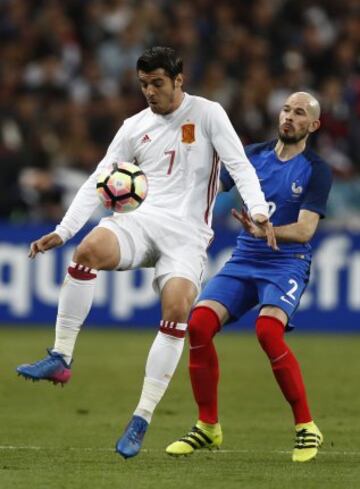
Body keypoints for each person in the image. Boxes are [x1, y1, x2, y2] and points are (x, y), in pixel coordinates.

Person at [16, 47, 276, 459]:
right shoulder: (134, 127)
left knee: (176, 311)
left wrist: (259, 211)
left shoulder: (208, 114)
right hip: (141, 220)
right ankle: (61, 356)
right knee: (88, 249)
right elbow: (97, 180)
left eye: (157, 83)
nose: (149, 92)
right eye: (143, 85)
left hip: (188, 234)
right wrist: (64, 230)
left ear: (178, 80)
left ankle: (141, 417)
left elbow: (240, 165)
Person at [166, 92, 333, 463]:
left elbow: (306, 231)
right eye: (287, 109)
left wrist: (267, 230)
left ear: (313, 125)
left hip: (287, 262)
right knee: (198, 325)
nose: (289, 117)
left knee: (267, 331)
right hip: (244, 258)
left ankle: (306, 426)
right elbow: (208, 189)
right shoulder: (251, 156)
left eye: (300, 113)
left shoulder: (316, 169)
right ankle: (208, 427)